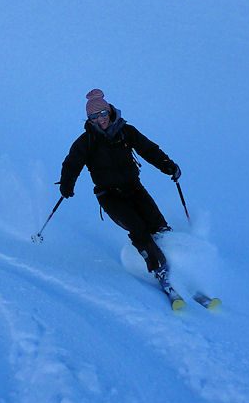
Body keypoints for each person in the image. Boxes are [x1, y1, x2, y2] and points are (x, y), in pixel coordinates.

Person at [58, 89, 181, 286]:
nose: (101, 120)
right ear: (89, 119)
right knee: (138, 228)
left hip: (134, 188)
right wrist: (66, 185)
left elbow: (148, 149)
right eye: (94, 117)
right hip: (109, 196)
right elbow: (72, 164)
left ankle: (180, 263)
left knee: (158, 225)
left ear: (110, 111)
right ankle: (160, 269)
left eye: (103, 114)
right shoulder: (86, 141)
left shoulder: (126, 132)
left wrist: (168, 165)